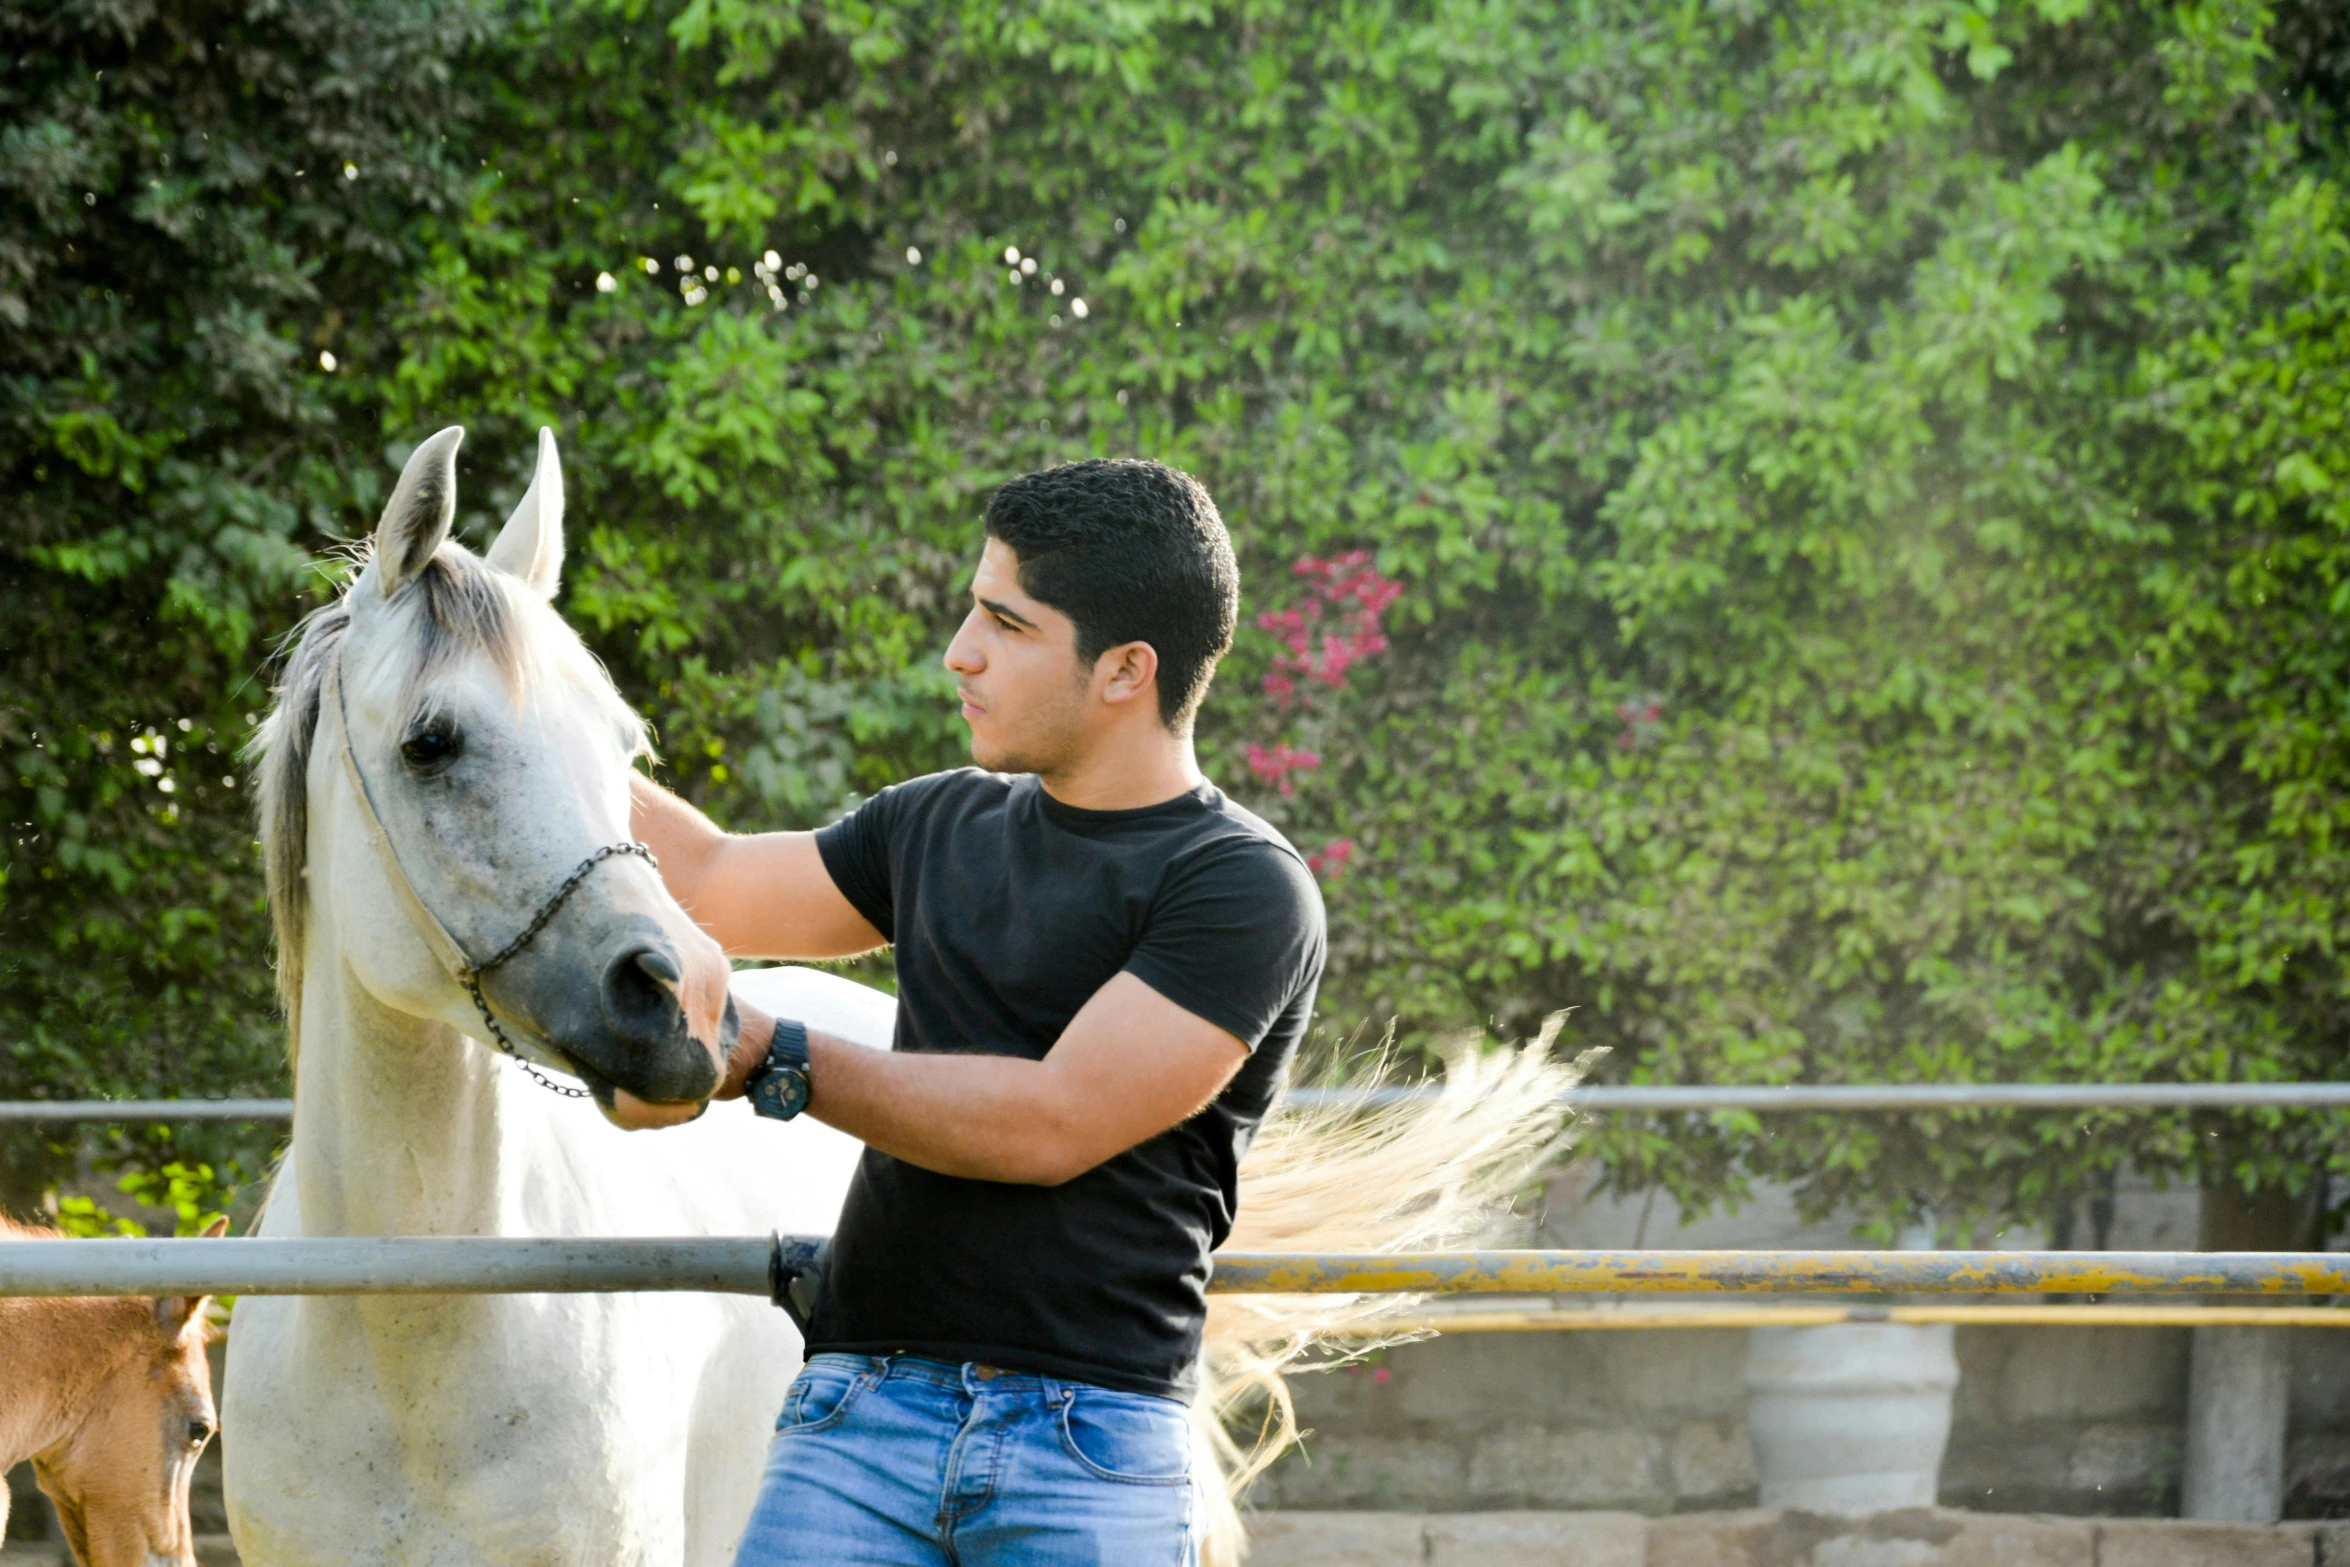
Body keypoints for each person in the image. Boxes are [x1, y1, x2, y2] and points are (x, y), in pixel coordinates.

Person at [623, 458, 1328, 1566]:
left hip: (1088, 1443)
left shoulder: (1240, 886)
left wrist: (773, 1054)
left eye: (1005, 621)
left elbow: (1046, 1124)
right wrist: (522, 704)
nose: (959, 648)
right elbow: (706, 876)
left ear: (1124, 670)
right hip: (854, 1416)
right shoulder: (935, 823)